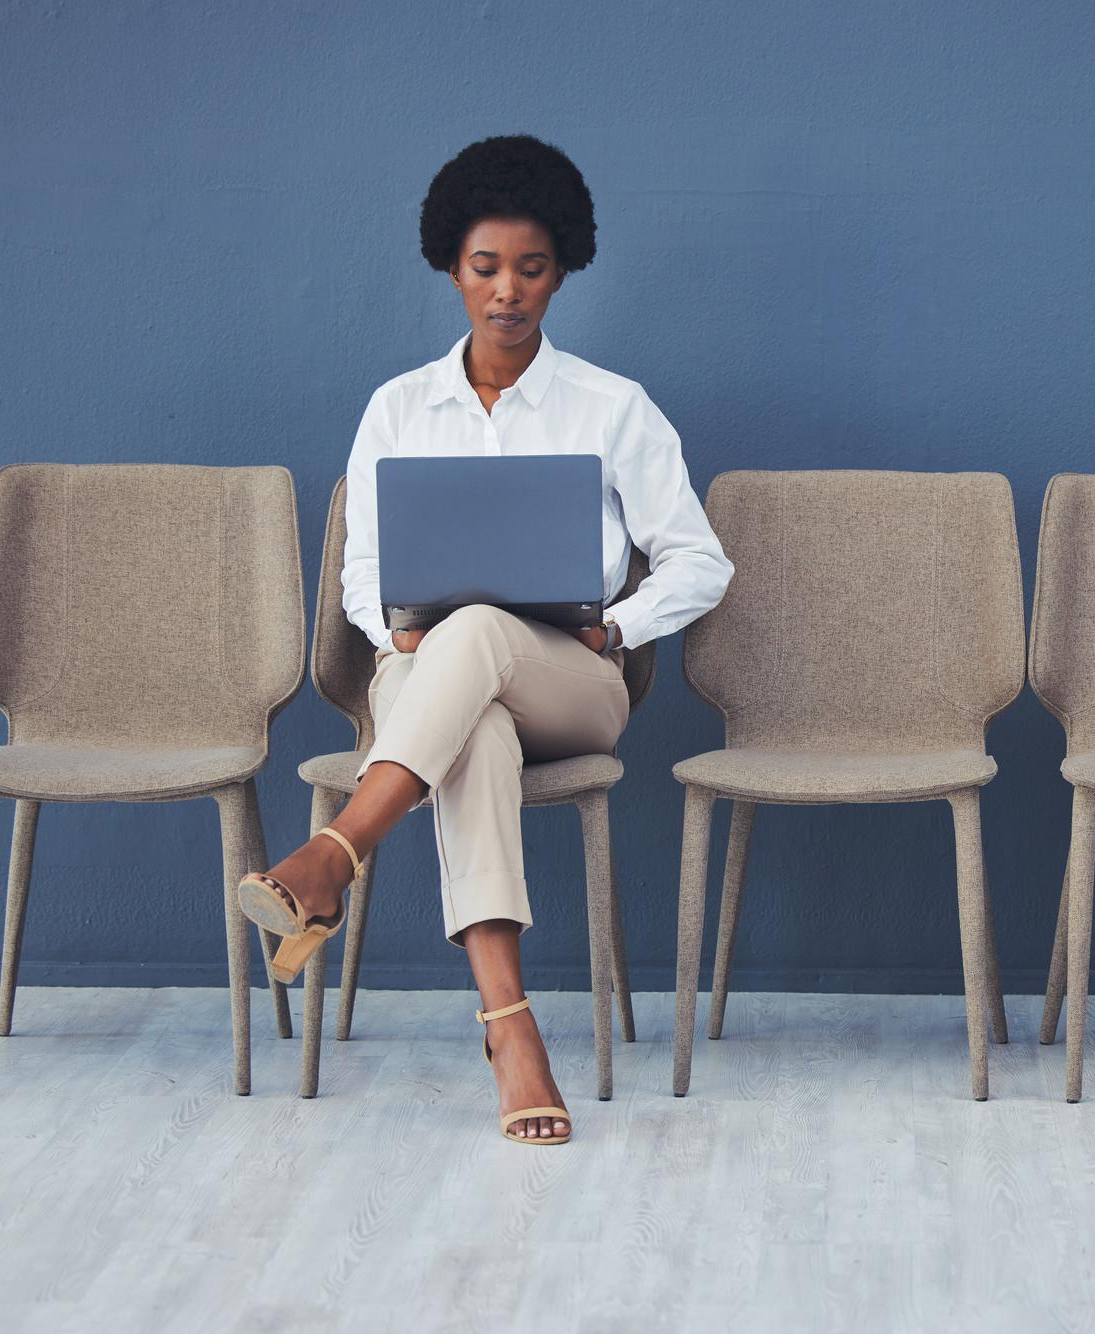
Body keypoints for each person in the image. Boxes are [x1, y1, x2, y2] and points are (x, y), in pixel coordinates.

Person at [236, 134, 732, 1145]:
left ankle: (334, 852)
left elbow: (699, 561)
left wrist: (618, 624)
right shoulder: (398, 408)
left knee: (478, 643)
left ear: (562, 271)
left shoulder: (612, 407)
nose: (507, 291)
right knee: (473, 720)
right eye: (485, 267)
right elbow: (362, 574)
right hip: (432, 681)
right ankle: (512, 1031)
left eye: (530, 268)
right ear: (451, 268)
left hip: (574, 682)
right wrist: (400, 637)